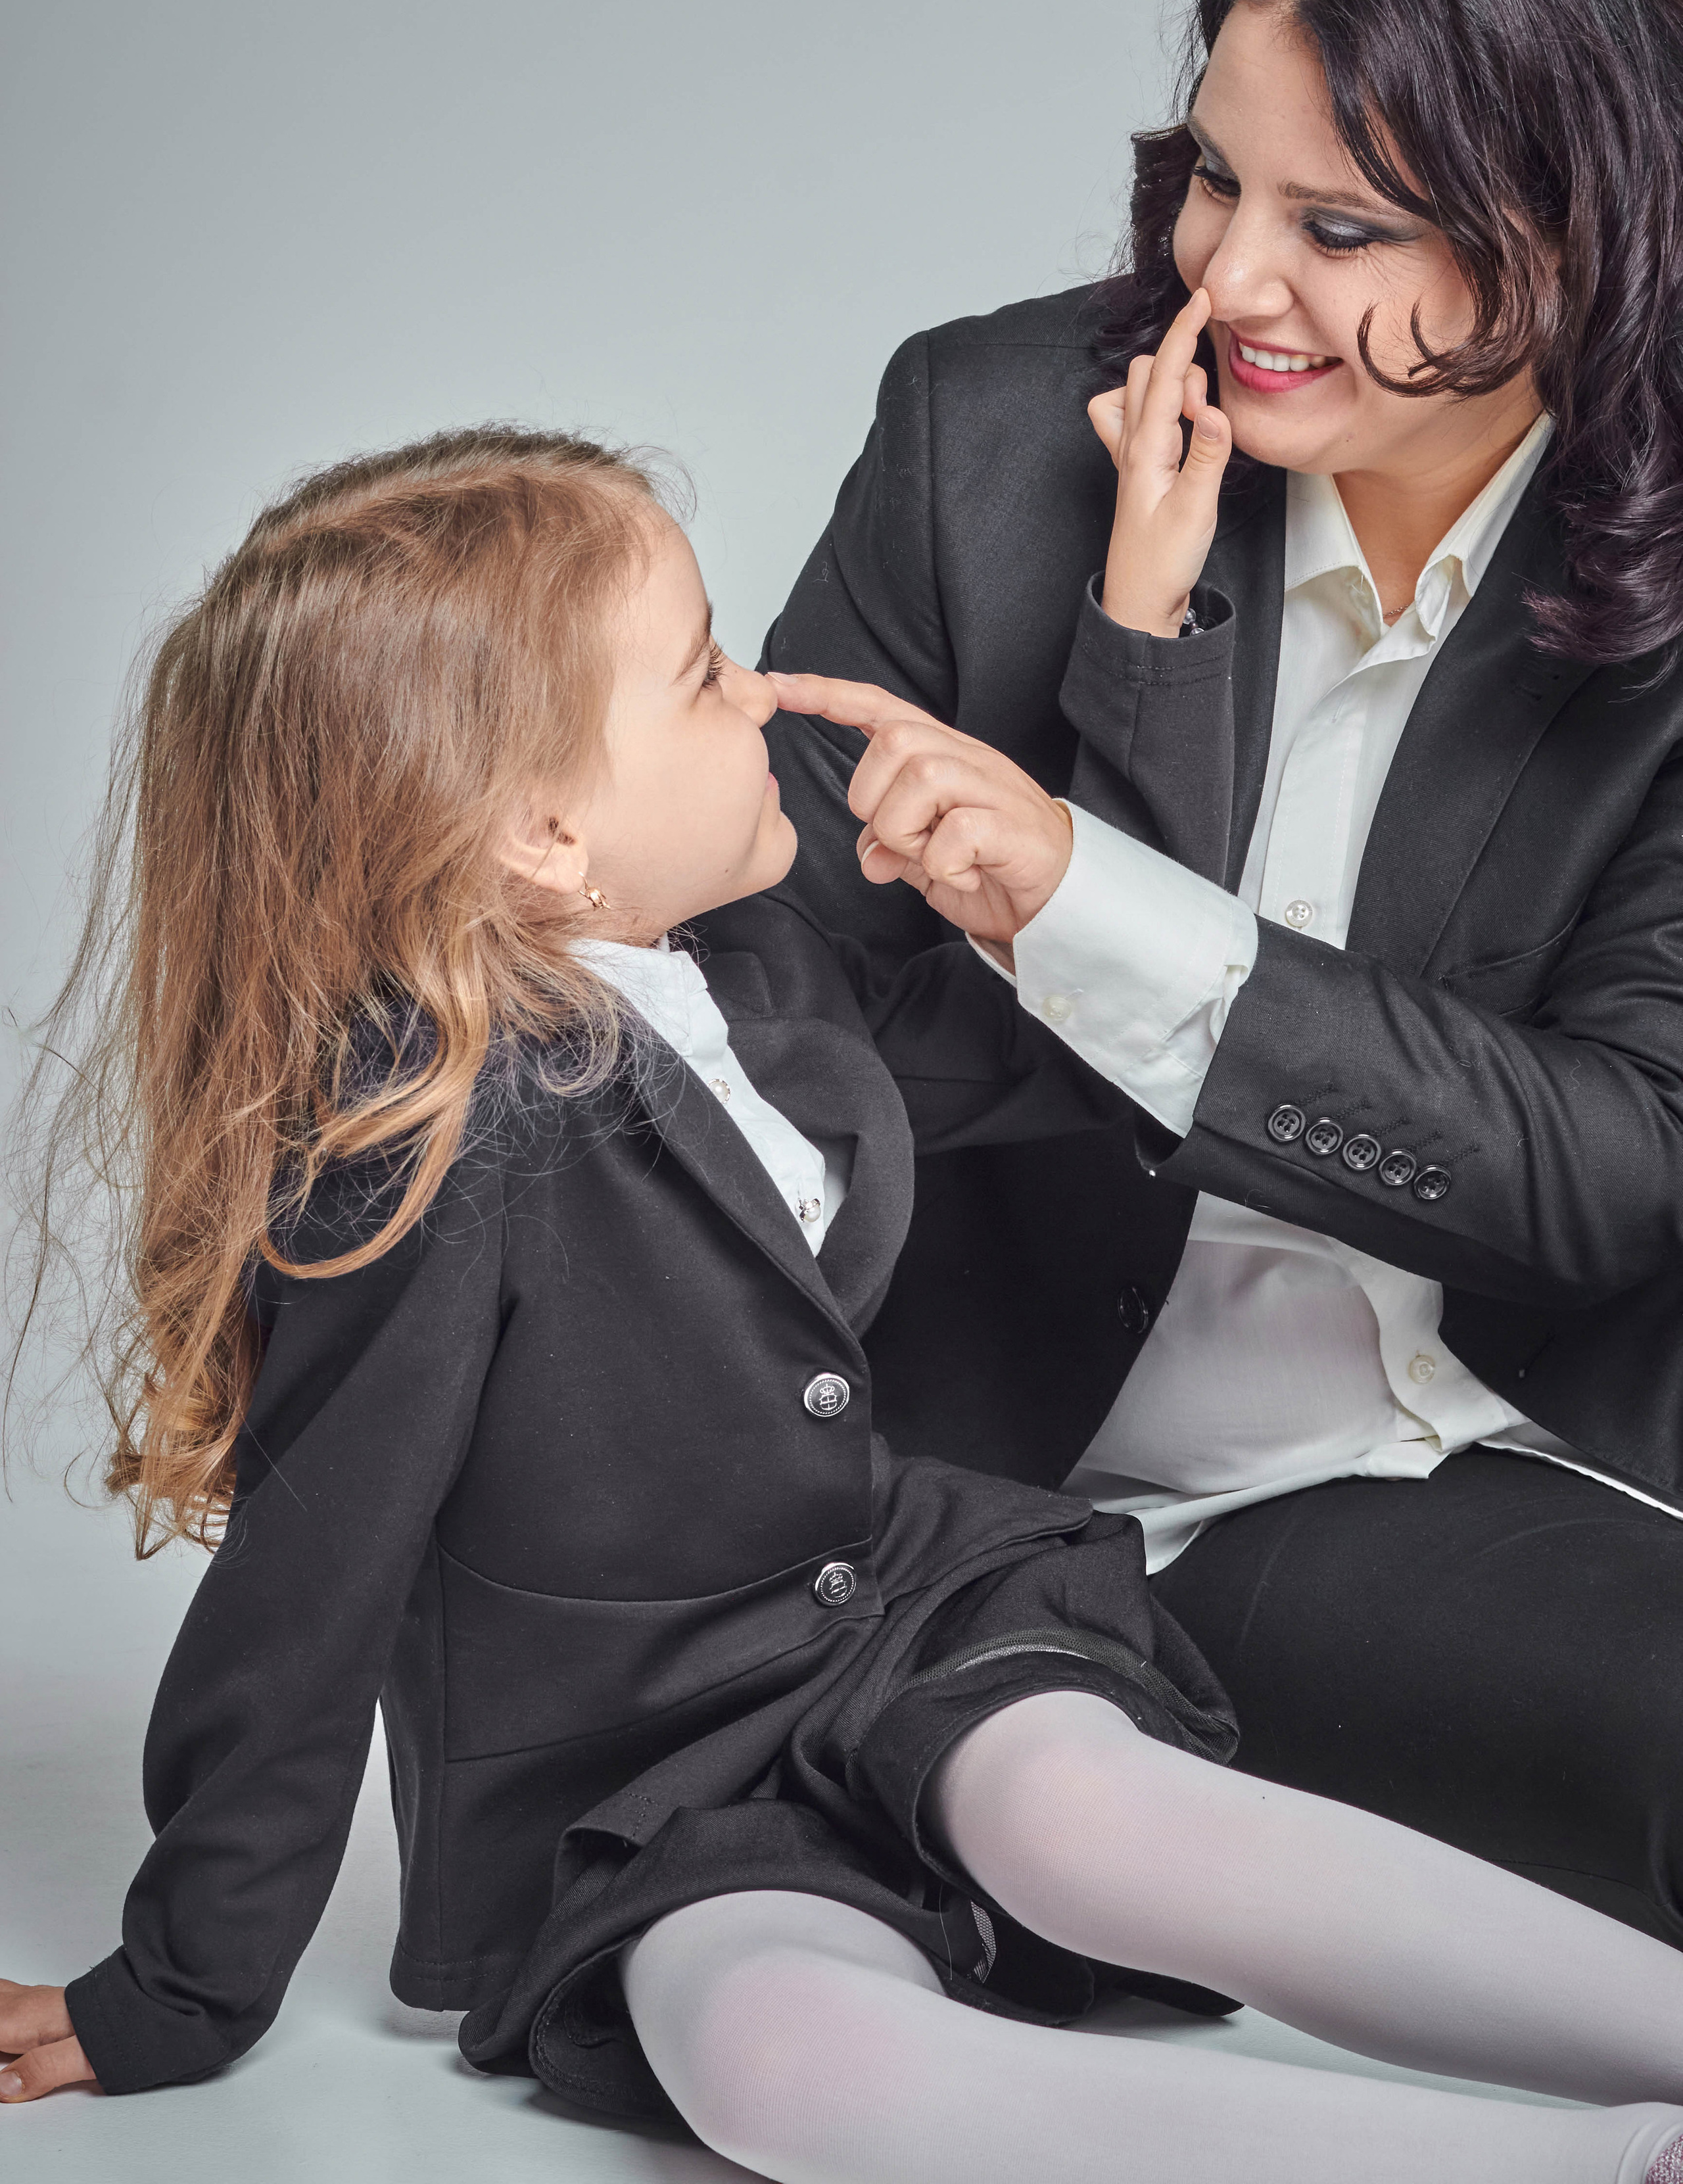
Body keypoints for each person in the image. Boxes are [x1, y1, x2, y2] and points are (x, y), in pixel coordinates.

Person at [4, 427, 1683, 2183]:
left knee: (1089, 1822)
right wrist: (184, 1982)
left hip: (908, 1629)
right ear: (545, 833)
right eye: (703, 676)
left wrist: (1136, 642)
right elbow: (310, 1575)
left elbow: (1090, 1043)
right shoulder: (425, 1149)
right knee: (790, 2072)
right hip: (650, 1786)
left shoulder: (753, 971)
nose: (770, 699)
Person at [747, 0, 1683, 1953]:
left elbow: (1619, 1169)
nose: (1230, 284)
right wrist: (1126, 692)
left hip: (1457, 1456)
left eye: (1338, 227)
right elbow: (774, 1039)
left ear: (1579, 242)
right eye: (1214, 181)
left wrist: (1088, 895)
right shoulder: (989, 447)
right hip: (1018, 1493)